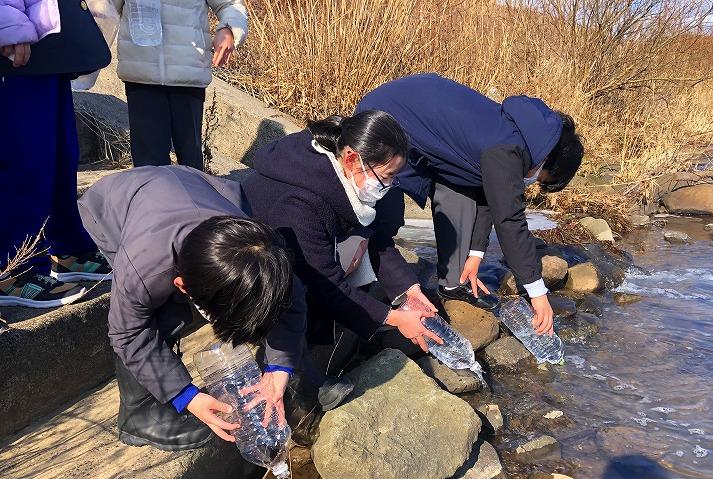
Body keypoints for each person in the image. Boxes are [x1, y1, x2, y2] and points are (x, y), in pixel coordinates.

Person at [78, 165, 307, 451]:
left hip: (192, 186)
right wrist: (186, 395)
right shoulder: (141, 269)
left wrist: (279, 367)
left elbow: (289, 299)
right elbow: (127, 332)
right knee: (164, 316)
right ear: (182, 285)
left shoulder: (262, 253)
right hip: (114, 203)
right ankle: (138, 415)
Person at [356, 74, 585, 336]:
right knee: (384, 217)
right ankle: (361, 286)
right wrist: (538, 293)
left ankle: (453, 284)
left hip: (418, 122)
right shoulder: (507, 148)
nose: (532, 181)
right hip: (386, 118)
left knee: (461, 191)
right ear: (547, 159)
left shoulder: (517, 135)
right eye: (541, 179)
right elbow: (510, 221)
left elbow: (488, 193)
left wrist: (476, 255)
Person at [241, 110, 442, 368]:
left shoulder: (344, 172)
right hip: (258, 272)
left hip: (305, 257)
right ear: (351, 159)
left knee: (361, 245)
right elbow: (324, 282)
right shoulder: (300, 204)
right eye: (386, 176)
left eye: (395, 176)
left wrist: (409, 289)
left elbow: (378, 240)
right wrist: (393, 318)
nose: (390, 185)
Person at [1, 0, 113, 308]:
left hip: (47, 41)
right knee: (25, 158)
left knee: (60, 155)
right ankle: (13, 269)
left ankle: (68, 249)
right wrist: (8, 26)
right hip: (14, 44)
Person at [113, 0, 247, 169]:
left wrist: (228, 29)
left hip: (189, 72)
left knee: (190, 161)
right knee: (149, 165)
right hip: (141, 71)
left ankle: (194, 186)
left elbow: (230, 4)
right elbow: (105, 8)